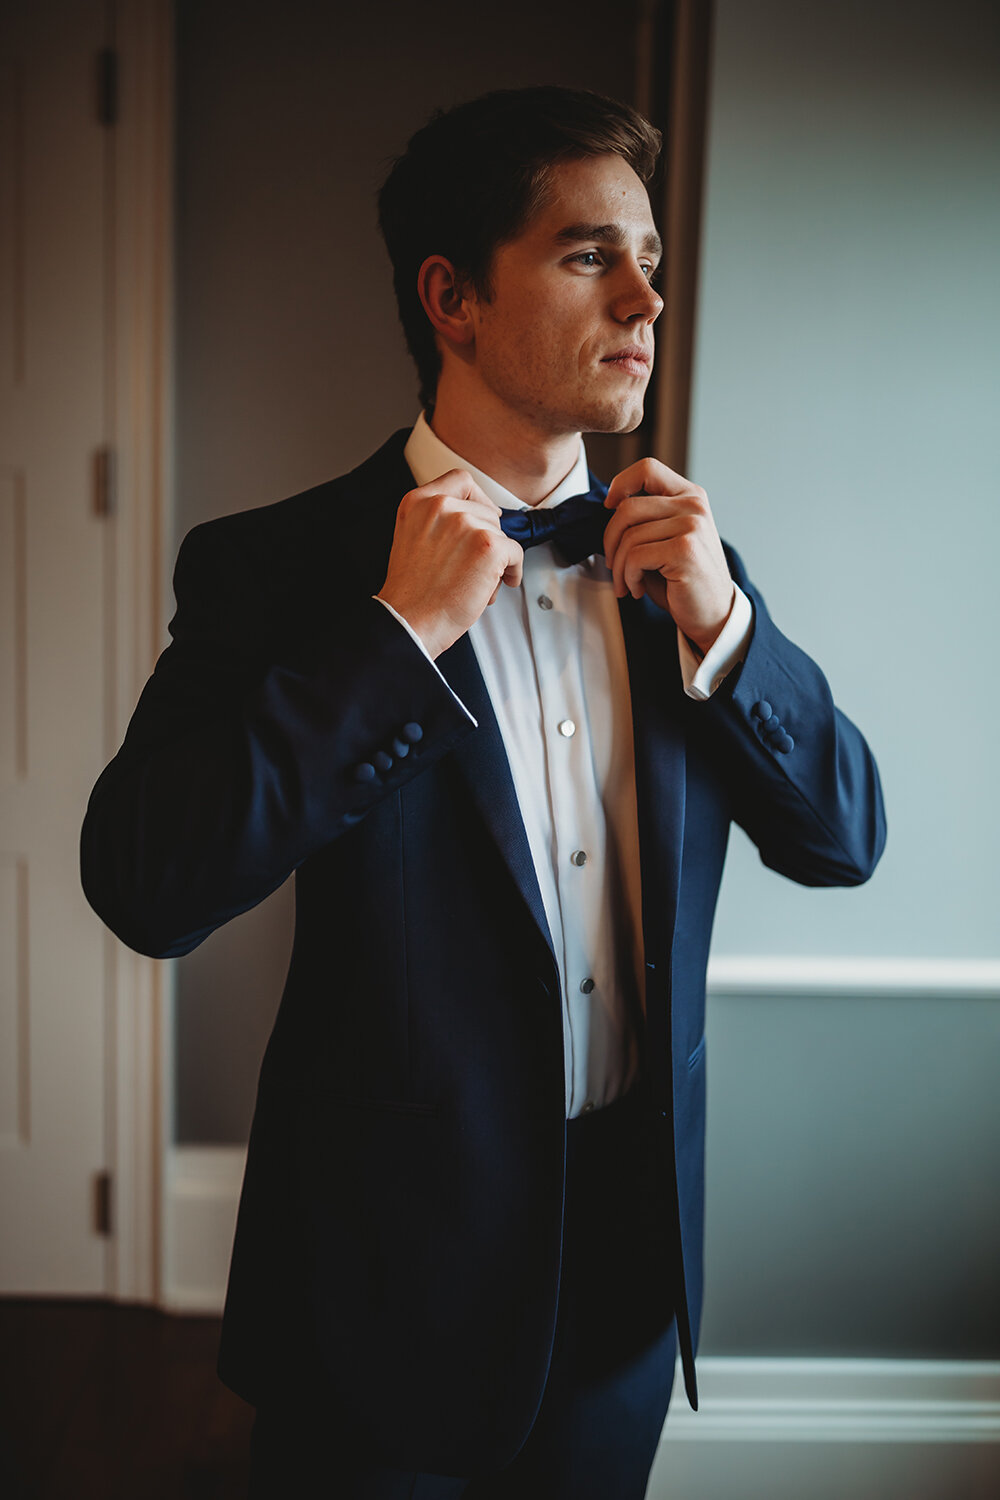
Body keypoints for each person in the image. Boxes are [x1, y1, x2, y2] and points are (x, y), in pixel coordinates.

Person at [81, 86, 885, 1498]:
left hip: (630, 1273)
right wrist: (393, 639)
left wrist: (725, 629)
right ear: (451, 297)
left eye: (649, 258)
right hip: (382, 1296)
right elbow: (148, 882)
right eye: (590, 255)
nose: (645, 298)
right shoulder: (279, 569)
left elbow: (845, 840)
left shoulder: (681, 562)